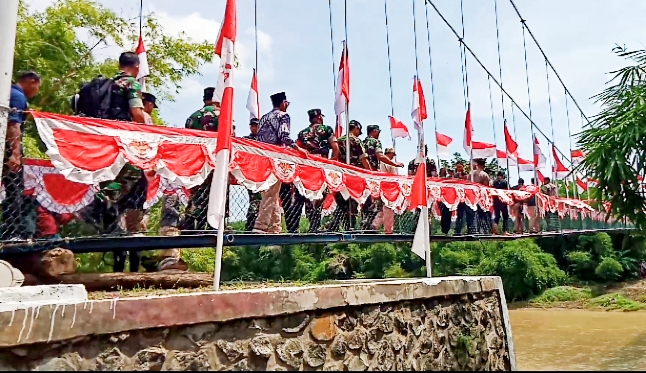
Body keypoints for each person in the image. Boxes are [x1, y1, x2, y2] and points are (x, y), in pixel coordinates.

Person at [253, 92, 307, 234]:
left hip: (262, 156)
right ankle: (260, 226)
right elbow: (284, 136)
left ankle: (275, 227)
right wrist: (298, 148)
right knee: (271, 193)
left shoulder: (264, 118)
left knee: (272, 192)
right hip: (276, 157)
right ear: (283, 103)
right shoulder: (283, 116)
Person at [1, 71, 41, 240]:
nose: (37, 91)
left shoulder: (7, 92)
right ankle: (12, 231)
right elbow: (14, 125)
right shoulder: (18, 96)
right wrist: (15, 153)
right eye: (38, 86)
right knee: (14, 189)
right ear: (31, 81)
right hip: (9, 148)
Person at [296, 109, 339, 232]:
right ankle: (317, 222)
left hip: (307, 166)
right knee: (322, 192)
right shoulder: (326, 129)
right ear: (319, 117)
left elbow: (296, 149)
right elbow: (335, 148)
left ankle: (312, 224)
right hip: (322, 165)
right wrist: (332, 162)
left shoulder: (302, 133)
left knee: (309, 193)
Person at [330, 120, 370, 231]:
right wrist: (371, 174)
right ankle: (350, 227)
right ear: (356, 128)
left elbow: (334, 157)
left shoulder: (339, 140)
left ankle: (335, 225)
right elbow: (363, 159)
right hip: (354, 176)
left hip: (341, 175)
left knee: (342, 201)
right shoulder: (356, 141)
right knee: (353, 201)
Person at [362, 125, 403, 230]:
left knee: (371, 204)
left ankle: (370, 224)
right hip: (387, 187)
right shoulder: (376, 144)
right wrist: (395, 164)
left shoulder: (362, 142)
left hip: (366, 176)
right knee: (388, 207)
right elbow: (393, 177)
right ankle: (386, 229)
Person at [369, 148, 398, 234]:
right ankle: (388, 230)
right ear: (389, 154)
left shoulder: (379, 163)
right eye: (392, 154)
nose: (393, 157)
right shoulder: (390, 164)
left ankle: (375, 225)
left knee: (381, 209)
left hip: (379, 187)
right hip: (389, 189)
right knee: (389, 208)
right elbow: (394, 178)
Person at [243, 118, 262, 231]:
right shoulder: (246, 140)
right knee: (255, 200)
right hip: (251, 173)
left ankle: (255, 224)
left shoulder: (264, 140)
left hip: (263, 173)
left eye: (256, 125)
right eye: (253, 125)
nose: (254, 128)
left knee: (262, 201)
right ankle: (250, 225)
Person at [468, 158, 493, 234]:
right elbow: (486, 187)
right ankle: (485, 231)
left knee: (472, 214)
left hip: (471, 196)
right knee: (482, 215)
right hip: (481, 197)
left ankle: (472, 230)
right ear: (484, 165)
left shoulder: (471, 174)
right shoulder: (484, 175)